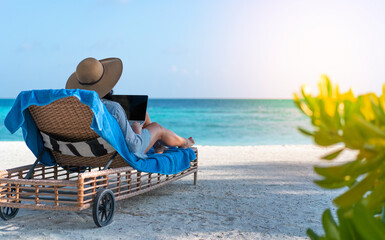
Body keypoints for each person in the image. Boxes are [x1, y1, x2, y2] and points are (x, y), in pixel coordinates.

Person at [66, 57, 194, 158]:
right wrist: (136, 130)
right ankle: (184, 143)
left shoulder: (74, 108)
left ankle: (158, 146)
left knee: (145, 118)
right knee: (157, 127)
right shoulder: (113, 108)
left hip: (85, 151)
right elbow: (135, 148)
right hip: (115, 151)